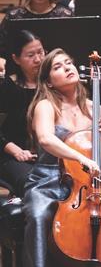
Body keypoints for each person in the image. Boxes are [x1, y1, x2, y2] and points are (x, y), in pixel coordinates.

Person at [23, 49, 101, 267]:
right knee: (38, 214)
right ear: (49, 82)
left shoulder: (94, 107)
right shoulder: (46, 105)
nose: (67, 67)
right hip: (48, 180)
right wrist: (81, 159)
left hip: (90, 183)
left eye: (68, 62)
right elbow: (46, 139)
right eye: (57, 67)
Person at [0, 0, 72, 75]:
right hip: (21, 78)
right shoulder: (14, 17)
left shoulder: (65, 16)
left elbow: (73, 53)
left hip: (55, 80)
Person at [0, 30, 45, 197]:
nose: (38, 59)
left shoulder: (52, 83)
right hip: (10, 154)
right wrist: (15, 150)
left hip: (48, 153)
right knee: (32, 181)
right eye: (30, 55)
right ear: (16, 59)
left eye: (41, 52)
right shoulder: (7, 87)